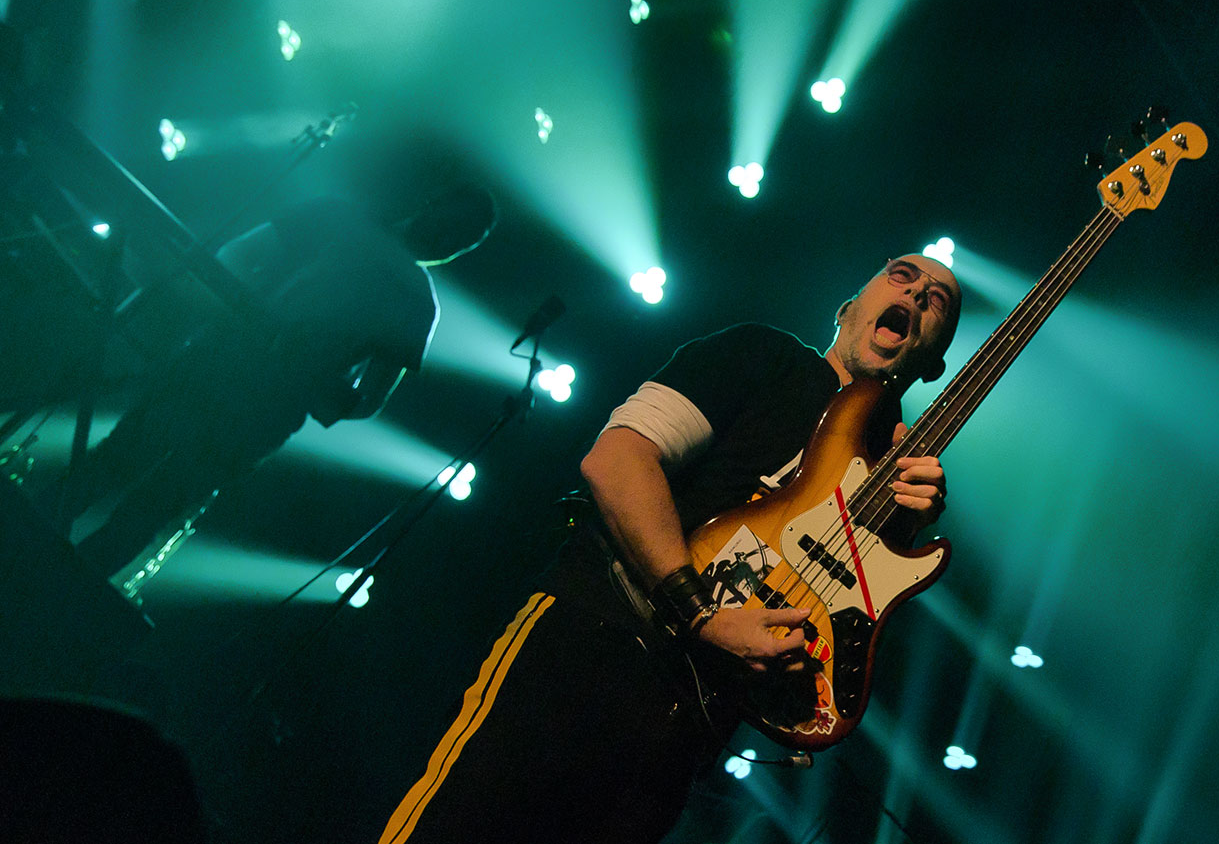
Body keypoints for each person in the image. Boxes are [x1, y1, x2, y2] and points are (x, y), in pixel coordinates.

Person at [378, 253, 961, 844]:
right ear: (846, 309)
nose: (916, 294)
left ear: (936, 362)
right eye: (901, 276)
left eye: (937, 299)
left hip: (689, 723)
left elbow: (827, 638)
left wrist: (901, 530)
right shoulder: (763, 355)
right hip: (595, 639)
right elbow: (616, 459)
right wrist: (701, 615)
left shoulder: (894, 476)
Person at [60, 183, 496, 579]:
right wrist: (316, 384)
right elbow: (368, 401)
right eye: (459, 235)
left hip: (225, 367)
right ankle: (67, 587)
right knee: (151, 498)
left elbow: (239, 254)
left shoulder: (347, 222)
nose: (452, 243)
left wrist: (241, 317)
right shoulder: (416, 302)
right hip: (259, 403)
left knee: (123, 460)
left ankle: (39, 544)